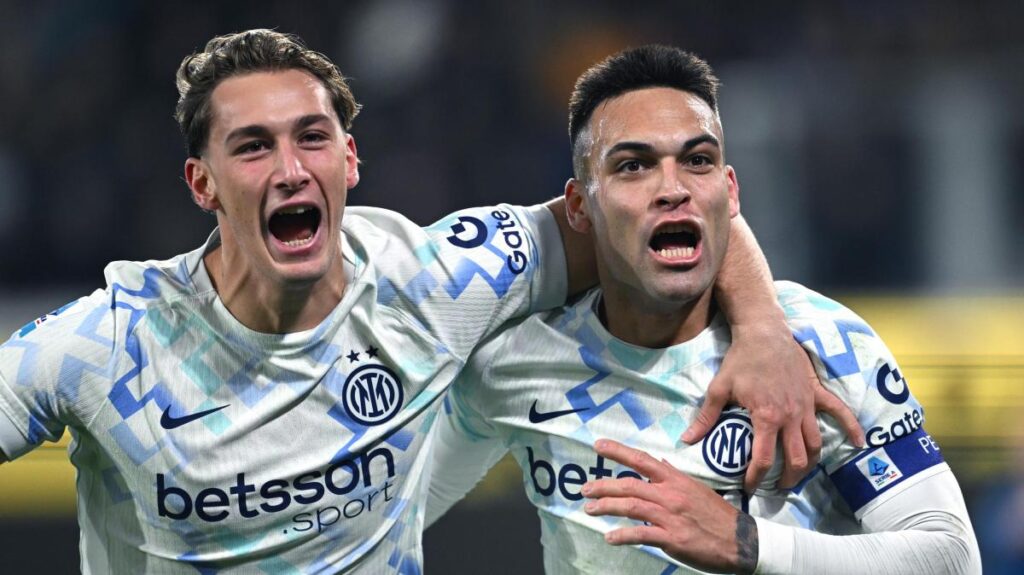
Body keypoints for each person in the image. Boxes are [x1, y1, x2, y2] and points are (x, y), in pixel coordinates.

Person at [0, 30, 844, 573]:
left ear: (349, 161)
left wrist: (762, 328)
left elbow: (657, 210)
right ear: (202, 183)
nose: (290, 169)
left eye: (312, 138)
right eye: (252, 148)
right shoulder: (109, 343)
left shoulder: (437, 282)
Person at [427, 45, 980, 574]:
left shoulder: (821, 344)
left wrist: (747, 542)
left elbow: (952, 558)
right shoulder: (518, 359)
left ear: (730, 191)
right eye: (633, 166)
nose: (673, 189)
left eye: (697, 160)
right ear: (578, 208)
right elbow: (407, 505)